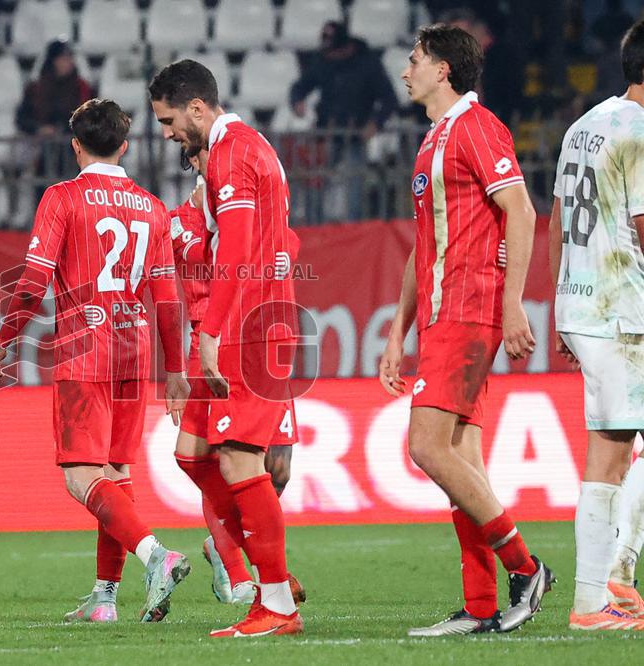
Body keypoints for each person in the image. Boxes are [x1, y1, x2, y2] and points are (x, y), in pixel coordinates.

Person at [0, 99, 191, 624]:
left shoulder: (63, 198)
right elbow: (167, 299)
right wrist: (176, 371)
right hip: (134, 351)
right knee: (115, 473)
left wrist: (5, 340)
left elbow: (33, 282)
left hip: (85, 351)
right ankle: (105, 597)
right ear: (125, 146)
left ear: (76, 146)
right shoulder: (152, 207)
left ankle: (156, 555)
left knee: (80, 478)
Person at [379, 24, 554, 636]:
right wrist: (398, 332)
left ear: (443, 70)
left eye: (414, 60)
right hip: (440, 313)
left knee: (427, 448)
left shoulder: (477, 127)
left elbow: (522, 211)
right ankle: (480, 605)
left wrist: (513, 304)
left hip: (469, 307)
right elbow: (421, 246)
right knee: (460, 461)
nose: (406, 71)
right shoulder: (435, 138)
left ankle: (525, 567)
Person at [150, 60, 304, 638]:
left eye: (169, 121)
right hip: (250, 319)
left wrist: (211, 332)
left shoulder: (232, 153)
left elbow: (236, 246)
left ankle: (275, 601)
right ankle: (268, 574)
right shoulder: (247, 148)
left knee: (241, 459)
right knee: (192, 454)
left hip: (246, 326)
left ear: (197, 107)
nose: (168, 134)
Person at [169, 147, 305, 608]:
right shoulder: (178, 224)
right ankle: (243, 568)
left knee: (277, 470)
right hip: (208, 348)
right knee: (216, 459)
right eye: (203, 165)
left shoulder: (251, 217)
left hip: (257, 343)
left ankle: (230, 542)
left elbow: (284, 248)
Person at [549, 19, 644, 631]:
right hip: (621, 309)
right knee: (609, 455)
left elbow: (558, 215)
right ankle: (598, 593)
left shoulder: (585, 124)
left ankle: (615, 577)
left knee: (612, 449)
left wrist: (561, 299)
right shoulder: (639, 131)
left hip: (586, 302)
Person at [288, 21, 398, 222]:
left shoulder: (368, 63)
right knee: (315, 185)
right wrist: (297, 101)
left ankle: (353, 233)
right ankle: (314, 229)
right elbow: (300, 86)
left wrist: (376, 123)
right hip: (325, 134)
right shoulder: (323, 59)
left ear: (346, 47)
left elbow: (389, 99)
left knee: (354, 190)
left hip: (355, 135)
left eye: (333, 51)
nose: (329, 55)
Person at [16, 39, 95, 203]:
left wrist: (65, 130)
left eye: (69, 58)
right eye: (62, 59)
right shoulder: (36, 89)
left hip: (72, 148)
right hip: (40, 147)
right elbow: (22, 119)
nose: (67, 63)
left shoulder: (82, 88)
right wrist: (39, 129)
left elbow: (91, 117)